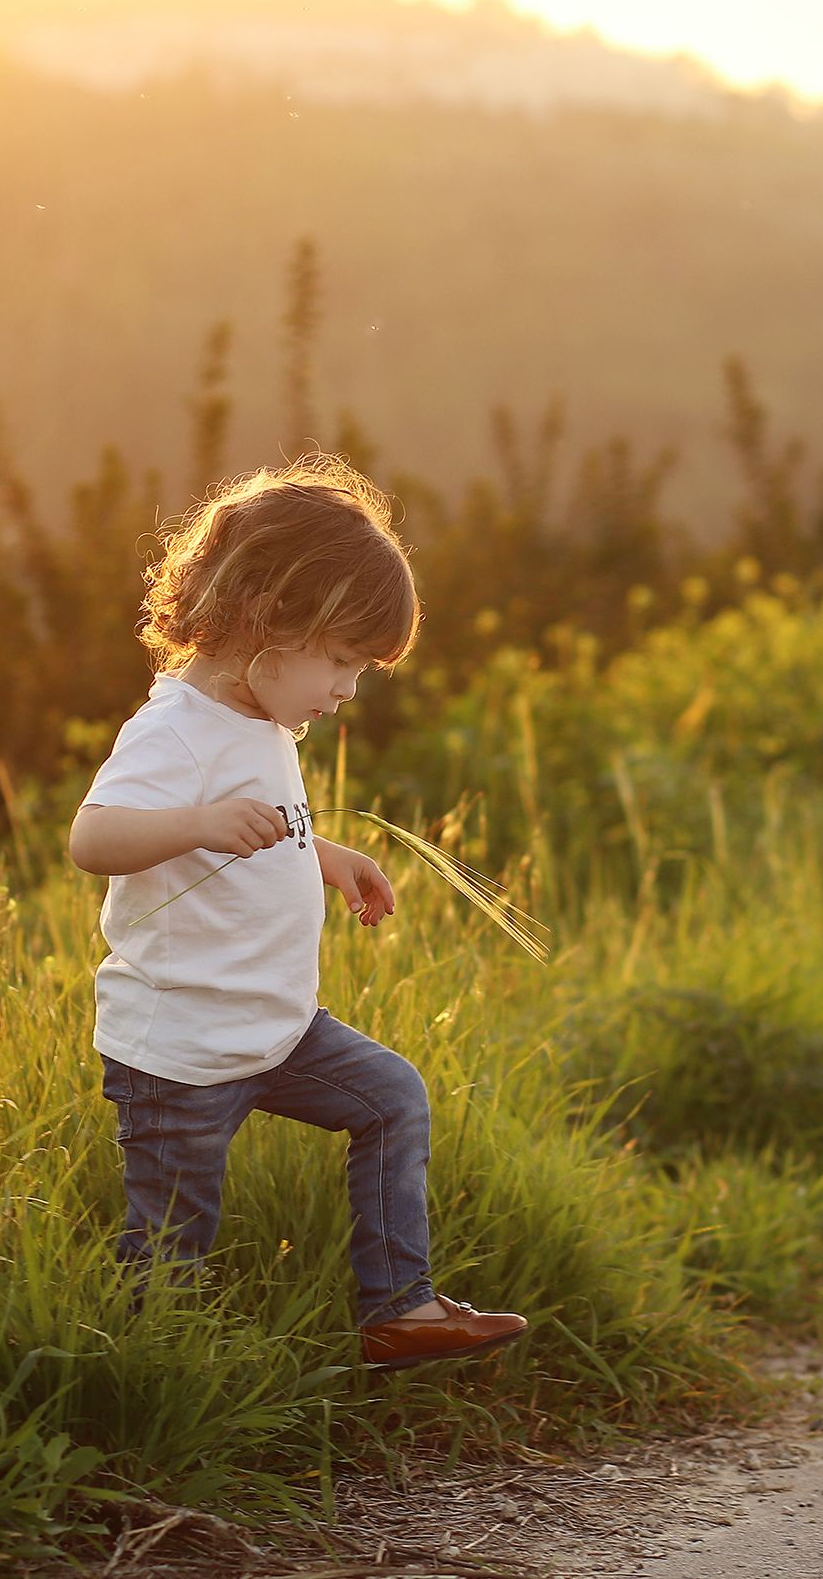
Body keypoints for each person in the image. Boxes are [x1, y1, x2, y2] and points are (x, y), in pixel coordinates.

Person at [64, 452, 529, 1372]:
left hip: (275, 1030)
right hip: (183, 1055)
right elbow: (92, 837)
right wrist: (195, 821)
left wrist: (325, 857)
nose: (348, 689)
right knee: (172, 1242)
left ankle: (400, 1307)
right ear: (270, 623)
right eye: (343, 661)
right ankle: (141, 1373)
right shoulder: (174, 729)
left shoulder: (264, 721)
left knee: (392, 1097)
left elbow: (261, 830)